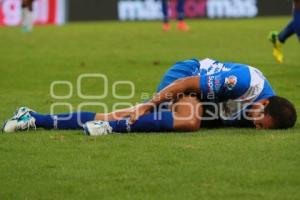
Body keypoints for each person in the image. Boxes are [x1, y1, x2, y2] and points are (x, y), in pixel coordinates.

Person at [2, 58, 297, 135]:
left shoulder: (260, 111)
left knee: (113, 115)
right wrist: (148, 103)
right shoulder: (244, 82)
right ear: (264, 103)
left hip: (210, 102)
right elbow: (186, 82)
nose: (254, 125)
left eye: (260, 128)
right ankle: (112, 128)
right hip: (187, 75)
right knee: (189, 122)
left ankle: (34, 118)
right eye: (259, 121)